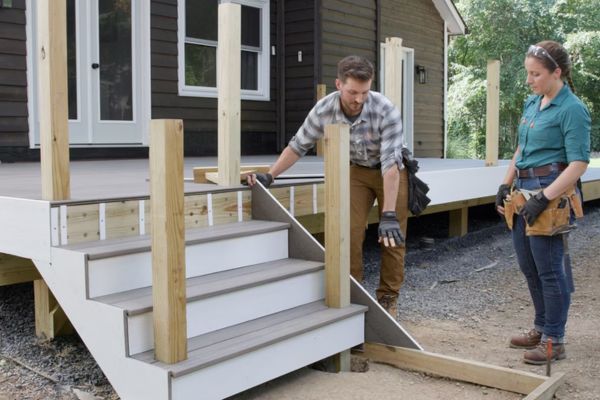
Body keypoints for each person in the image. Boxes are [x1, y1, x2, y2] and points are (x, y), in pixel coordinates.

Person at [247, 55, 409, 318]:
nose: (358, 99)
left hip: (391, 171)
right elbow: (298, 145)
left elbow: (391, 165)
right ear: (338, 84)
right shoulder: (324, 109)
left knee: (391, 236)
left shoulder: (384, 109)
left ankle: (388, 298)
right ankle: (352, 292)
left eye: (364, 92)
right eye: (352, 92)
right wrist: (270, 175)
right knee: (349, 230)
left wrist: (388, 214)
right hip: (357, 170)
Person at [495, 41, 591, 365]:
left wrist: (543, 198)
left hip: (549, 194)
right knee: (529, 267)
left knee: (550, 270)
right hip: (522, 190)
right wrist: (505, 183)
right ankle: (541, 326)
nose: (529, 80)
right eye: (528, 73)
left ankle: (555, 339)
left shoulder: (573, 109)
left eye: (535, 74)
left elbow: (578, 164)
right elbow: (521, 151)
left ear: (556, 72)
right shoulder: (533, 103)